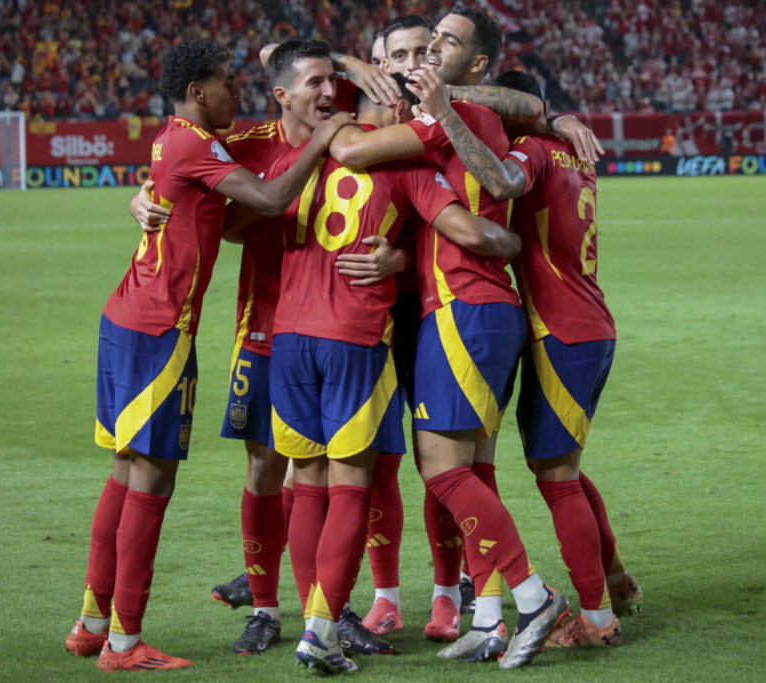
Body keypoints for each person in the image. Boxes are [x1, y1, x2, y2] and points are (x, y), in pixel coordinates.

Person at [64, 40, 352, 672]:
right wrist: (324, 139)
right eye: (227, 81)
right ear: (198, 91)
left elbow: (187, 193)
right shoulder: (197, 142)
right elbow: (269, 200)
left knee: (125, 472)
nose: (237, 92)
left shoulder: (176, 138)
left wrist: (141, 196)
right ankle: (123, 643)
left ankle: (92, 623)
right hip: (159, 329)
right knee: (152, 481)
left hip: (128, 318)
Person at [249, 51, 522, 674]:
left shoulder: (296, 158)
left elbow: (249, 214)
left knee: (306, 483)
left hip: (288, 338)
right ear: (398, 106)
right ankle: (323, 630)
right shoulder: (408, 168)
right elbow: (467, 231)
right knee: (353, 486)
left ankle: (312, 618)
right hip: (356, 338)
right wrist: (509, 242)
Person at [132, 40, 401, 659]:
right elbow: (186, 183)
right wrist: (143, 197)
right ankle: (264, 608)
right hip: (265, 326)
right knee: (265, 469)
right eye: (316, 82)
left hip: (342, 329)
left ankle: (329, 611)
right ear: (283, 94)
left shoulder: (356, 136)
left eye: (334, 81)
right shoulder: (250, 142)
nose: (329, 91)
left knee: (339, 474)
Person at [328, 6, 569, 669]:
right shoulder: (463, 116)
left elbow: (350, 151)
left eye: (439, 44)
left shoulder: (449, 116)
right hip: (477, 308)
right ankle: (488, 618)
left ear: (473, 65)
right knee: (471, 468)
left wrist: (341, 117)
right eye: (421, 44)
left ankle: (533, 595)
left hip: (463, 307)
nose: (427, 53)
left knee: (440, 467)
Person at [414, 66, 643, 649]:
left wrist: (448, 111)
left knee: (558, 480)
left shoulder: (534, 151)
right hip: (587, 324)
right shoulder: (573, 154)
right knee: (564, 469)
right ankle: (615, 580)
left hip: (558, 328)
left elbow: (500, 183)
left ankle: (596, 620)